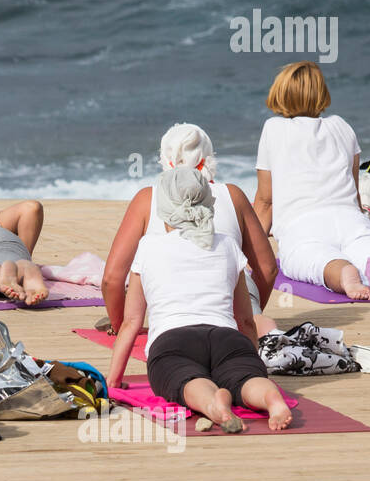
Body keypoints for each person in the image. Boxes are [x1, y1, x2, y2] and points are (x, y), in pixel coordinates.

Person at [109, 168, 292, 433]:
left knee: (183, 380)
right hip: (226, 338)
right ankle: (271, 400)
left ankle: (212, 403)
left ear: (164, 211)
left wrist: (114, 380)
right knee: (245, 379)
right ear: (209, 205)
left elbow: (131, 322)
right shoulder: (227, 244)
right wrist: (250, 360)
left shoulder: (148, 247)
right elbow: (244, 319)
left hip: (172, 342)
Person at [104, 123, 278, 338]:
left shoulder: (147, 198)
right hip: (227, 288)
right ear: (207, 158)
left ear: (166, 161)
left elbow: (112, 279)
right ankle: (268, 330)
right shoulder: (232, 194)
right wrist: (248, 306)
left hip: (174, 302)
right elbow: (267, 269)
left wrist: (119, 324)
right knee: (259, 323)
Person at [253, 62, 370, 300]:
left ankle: (343, 272)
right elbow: (354, 192)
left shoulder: (273, 128)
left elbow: (265, 201)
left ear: (281, 93)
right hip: (352, 221)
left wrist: (248, 254)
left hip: (302, 227)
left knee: (316, 260)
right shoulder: (342, 126)